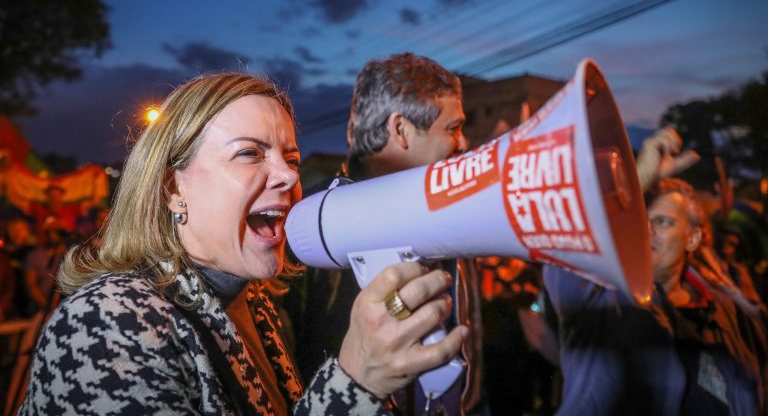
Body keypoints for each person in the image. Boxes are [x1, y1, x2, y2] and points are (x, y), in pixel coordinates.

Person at [19, 72, 467, 416]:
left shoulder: (251, 305)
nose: (291, 176)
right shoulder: (105, 323)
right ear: (172, 189)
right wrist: (355, 384)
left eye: (290, 157)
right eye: (249, 153)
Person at [286, 53, 484, 416]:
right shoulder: (306, 229)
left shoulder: (446, 211)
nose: (463, 142)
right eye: (452, 128)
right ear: (401, 130)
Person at [545, 127, 766, 416]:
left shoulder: (725, 312)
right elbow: (570, 247)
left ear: (693, 238)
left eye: (662, 222)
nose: (647, 231)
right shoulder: (599, 295)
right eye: (641, 220)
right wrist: (638, 181)